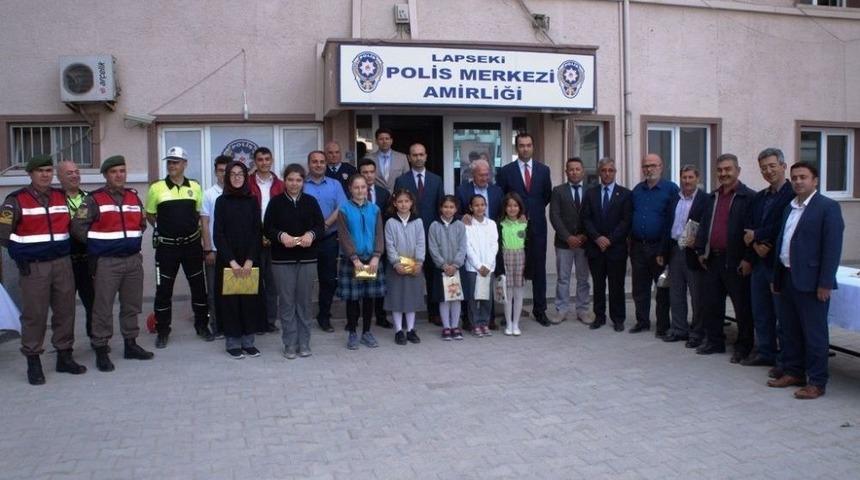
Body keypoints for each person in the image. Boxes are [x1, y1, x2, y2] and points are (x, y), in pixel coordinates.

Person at [1, 155, 87, 384]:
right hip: (34, 267)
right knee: (35, 315)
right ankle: (33, 362)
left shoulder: (61, 197)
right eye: (40, 171)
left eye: (49, 170)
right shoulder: (16, 199)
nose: (45, 174)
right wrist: (21, 254)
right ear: (30, 174)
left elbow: (76, 226)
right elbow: (2, 233)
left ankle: (64, 356)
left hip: (62, 263)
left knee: (65, 311)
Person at [767, 161, 844, 400]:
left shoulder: (827, 207)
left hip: (811, 282)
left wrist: (825, 283)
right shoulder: (790, 207)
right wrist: (776, 276)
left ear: (815, 180)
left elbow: (832, 249)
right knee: (789, 330)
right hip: (787, 276)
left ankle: (817, 381)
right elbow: (782, 242)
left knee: (814, 334)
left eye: (804, 177)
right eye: (795, 177)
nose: (799, 181)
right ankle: (794, 371)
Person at [71, 155, 153, 371]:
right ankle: (100, 348)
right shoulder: (94, 199)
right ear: (106, 175)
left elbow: (141, 223)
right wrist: (98, 244)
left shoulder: (133, 198)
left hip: (132, 260)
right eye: (114, 171)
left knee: (131, 304)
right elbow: (78, 227)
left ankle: (130, 344)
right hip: (106, 262)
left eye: (122, 171)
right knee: (103, 307)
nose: (119, 175)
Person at [146, 146, 213, 348]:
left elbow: (199, 215)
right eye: (170, 162)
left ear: (185, 164)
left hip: (192, 246)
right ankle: (163, 330)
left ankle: (202, 325)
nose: (172, 165)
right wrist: (164, 229)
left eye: (176, 162)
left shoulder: (195, 186)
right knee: (163, 290)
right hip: (167, 249)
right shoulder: (156, 188)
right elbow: (150, 214)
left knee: (199, 288)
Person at [694, 153, 755, 363]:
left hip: (736, 261)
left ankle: (744, 347)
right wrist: (701, 250)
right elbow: (704, 226)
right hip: (713, 259)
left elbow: (751, 231)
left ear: (738, 171)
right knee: (712, 304)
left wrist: (748, 259)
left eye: (728, 169)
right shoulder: (713, 197)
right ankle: (714, 341)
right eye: (720, 170)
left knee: (742, 307)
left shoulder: (748, 197)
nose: (723, 173)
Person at [264, 163, 325, 359]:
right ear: (285, 180)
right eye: (290, 179)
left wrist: (311, 234)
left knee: (304, 302)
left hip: (307, 259)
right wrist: (281, 236)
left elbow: (320, 226)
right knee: (288, 303)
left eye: (298, 180)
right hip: (282, 261)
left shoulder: (310, 201)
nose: (294, 183)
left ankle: (305, 342)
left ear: (303, 181)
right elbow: (267, 228)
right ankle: (290, 343)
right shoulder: (275, 202)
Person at [742, 148, 794, 368]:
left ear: (783, 166)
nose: (768, 171)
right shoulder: (760, 197)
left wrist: (763, 240)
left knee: (782, 314)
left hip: (778, 263)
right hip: (758, 261)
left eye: (772, 166)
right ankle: (766, 352)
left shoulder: (793, 194)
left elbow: (785, 225)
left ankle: (785, 360)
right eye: (764, 167)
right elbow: (749, 226)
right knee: (761, 311)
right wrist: (755, 245)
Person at [496, 132, 552, 326]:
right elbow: (502, 199)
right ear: (516, 147)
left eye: (528, 145)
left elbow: (546, 196)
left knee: (538, 269)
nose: (525, 148)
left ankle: (540, 310)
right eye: (521, 145)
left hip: (536, 227)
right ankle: (509, 312)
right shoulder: (506, 171)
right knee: (511, 270)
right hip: (511, 229)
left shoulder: (544, 170)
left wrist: (530, 214)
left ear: (533, 147)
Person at [214, 161, 265, 360]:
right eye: (233, 174)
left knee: (249, 300)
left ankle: (248, 341)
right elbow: (218, 234)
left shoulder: (252, 201)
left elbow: (256, 232)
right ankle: (233, 341)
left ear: (245, 177)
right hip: (229, 261)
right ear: (227, 177)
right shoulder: (221, 201)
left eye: (240, 174)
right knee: (231, 302)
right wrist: (233, 262)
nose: (236, 177)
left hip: (249, 260)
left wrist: (250, 259)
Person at [393, 143, 444, 325]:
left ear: (426, 156)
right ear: (409, 157)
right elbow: (398, 207)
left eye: (421, 154)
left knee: (432, 275)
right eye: (414, 155)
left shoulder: (436, 180)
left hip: (430, 235)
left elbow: (440, 208)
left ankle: (434, 313)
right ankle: (407, 313)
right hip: (408, 236)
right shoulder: (401, 181)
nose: (418, 158)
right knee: (408, 275)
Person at [629, 153, 679, 336]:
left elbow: (673, 220)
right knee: (639, 288)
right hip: (638, 247)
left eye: (653, 165)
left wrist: (664, 250)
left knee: (662, 288)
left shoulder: (671, 189)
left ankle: (663, 326)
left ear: (661, 167)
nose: (649, 169)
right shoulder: (637, 190)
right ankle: (642, 321)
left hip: (660, 247)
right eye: (646, 166)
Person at [336, 174, 386, 350]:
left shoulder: (375, 209)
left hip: (371, 260)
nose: (360, 190)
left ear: (367, 188)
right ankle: (352, 333)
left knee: (368, 298)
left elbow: (379, 233)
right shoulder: (343, 210)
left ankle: (366, 332)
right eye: (356, 187)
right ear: (350, 189)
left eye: (363, 187)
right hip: (353, 261)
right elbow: (343, 235)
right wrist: (354, 257)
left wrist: (376, 255)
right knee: (353, 299)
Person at [581, 158, 632, 331]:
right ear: (599, 173)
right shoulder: (590, 193)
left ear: (615, 172)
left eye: (611, 170)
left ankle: (618, 319)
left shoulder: (625, 194)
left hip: (616, 248)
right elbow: (585, 219)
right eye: (604, 170)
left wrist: (609, 239)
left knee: (616, 285)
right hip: (596, 248)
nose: (607, 173)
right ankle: (599, 317)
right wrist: (597, 238)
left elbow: (626, 221)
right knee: (598, 285)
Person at [662, 165, 708, 345]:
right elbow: (667, 225)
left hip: (693, 252)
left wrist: (698, 245)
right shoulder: (674, 198)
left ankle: (697, 333)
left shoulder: (705, 200)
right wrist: (662, 251)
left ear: (697, 178)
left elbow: (706, 226)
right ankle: (679, 329)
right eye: (684, 177)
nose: (687, 181)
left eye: (690, 177)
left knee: (697, 295)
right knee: (676, 293)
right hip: (675, 250)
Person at [455, 158, 503, 330]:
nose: (485, 178)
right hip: (472, 244)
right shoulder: (462, 190)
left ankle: (488, 320)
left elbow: (502, 213)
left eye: (487, 174)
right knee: (473, 290)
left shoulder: (497, 191)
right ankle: (470, 321)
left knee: (487, 290)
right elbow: (456, 212)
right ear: (473, 174)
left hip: (488, 243)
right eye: (481, 175)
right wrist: (462, 216)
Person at [303, 150, 348, 333]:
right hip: (306, 240)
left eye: (322, 161)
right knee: (304, 280)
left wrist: (325, 224)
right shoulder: (301, 184)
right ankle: (303, 316)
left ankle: (324, 316)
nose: (319, 164)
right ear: (309, 164)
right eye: (314, 161)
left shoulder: (335, 184)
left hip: (329, 238)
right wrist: (312, 231)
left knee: (328, 279)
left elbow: (342, 206)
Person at [549, 157, 591, 324]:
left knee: (583, 278)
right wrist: (567, 237)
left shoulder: (591, 191)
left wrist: (585, 235)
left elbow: (594, 216)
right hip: (563, 243)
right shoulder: (558, 191)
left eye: (577, 169)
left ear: (583, 171)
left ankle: (582, 310)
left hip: (584, 242)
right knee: (563, 278)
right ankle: (562, 309)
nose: (574, 172)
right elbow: (555, 216)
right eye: (571, 169)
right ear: (566, 172)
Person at [248, 146, 284, 334]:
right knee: (254, 282)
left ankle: (270, 320)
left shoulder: (280, 185)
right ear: (255, 162)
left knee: (272, 283)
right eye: (260, 159)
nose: (264, 163)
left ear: (271, 161)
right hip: (253, 239)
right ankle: (256, 320)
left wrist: (274, 235)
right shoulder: (247, 183)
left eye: (267, 159)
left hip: (275, 239)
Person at [58, 160, 95, 338]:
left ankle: (96, 339)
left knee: (93, 303)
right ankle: (65, 347)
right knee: (64, 308)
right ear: (59, 177)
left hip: (87, 260)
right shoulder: (54, 200)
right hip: (64, 262)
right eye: (69, 173)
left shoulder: (90, 198)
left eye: (76, 171)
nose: (74, 175)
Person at [384, 189, 427, 345]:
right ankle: (398, 331)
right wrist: (396, 263)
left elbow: (421, 243)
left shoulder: (418, 221)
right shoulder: (390, 222)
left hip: (414, 265)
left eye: (406, 201)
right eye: (400, 201)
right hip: (397, 268)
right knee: (396, 299)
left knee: (411, 299)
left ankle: (410, 329)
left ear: (411, 203)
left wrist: (419, 262)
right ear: (395, 203)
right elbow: (390, 245)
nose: (403, 204)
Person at [357, 158, 393, 329]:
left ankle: (380, 315)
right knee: (360, 282)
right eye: (365, 172)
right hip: (360, 245)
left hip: (379, 244)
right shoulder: (354, 193)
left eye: (371, 172)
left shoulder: (384, 193)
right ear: (360, 174)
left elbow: (386, 219)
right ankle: (358, 318)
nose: (369, 175)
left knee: (378, 282)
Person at [427, 195, 467, 341]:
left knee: (456, 298)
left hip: (456, 268)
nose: (448, 210)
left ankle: (455, 326)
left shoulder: (460, 225)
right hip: (441, 269)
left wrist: (455, 264)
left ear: (456, 209)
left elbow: (463, 246)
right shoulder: (434, 226)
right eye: (445, 207)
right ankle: (446, 327)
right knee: (444, 299)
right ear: (440, 208)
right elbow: (432, 248)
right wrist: (443, 265)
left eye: (451, 207)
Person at [201, 155, 230, 338]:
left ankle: (231, 324)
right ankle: (216, 325)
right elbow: (204, 223)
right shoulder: (209, 194)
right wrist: (208, 249)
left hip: (233, 252)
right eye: (220, 170)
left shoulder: (238, 193)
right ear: (215, 172)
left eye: (227, 171)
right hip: (215, 251)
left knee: (232, 290)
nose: (224, 174)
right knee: (213, 291)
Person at [463, 194, 498, 337]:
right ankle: (475, 324)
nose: (479, 207)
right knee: (473, 297)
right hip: (473, 268)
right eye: (476, 205)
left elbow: (494, 245)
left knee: (486, 297)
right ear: (471, 207)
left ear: (486, 206)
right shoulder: (467, 225)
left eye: (482, 204)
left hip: (488, 267)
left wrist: (487, 265)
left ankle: (484, 322)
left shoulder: (491, 224)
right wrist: (478, 265)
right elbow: (467, 247)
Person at [496, 192, 529, 336]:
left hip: (521, 258)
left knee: (518, 293)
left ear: (520, 207)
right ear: (505, 208)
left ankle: (516, 323)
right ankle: (508, 323)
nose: (512, 208)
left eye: (515, 205)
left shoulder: (525, 223)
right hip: (506, 257)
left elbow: (529, 244)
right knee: (507, 294)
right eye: (509, 205)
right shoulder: (500, 224)